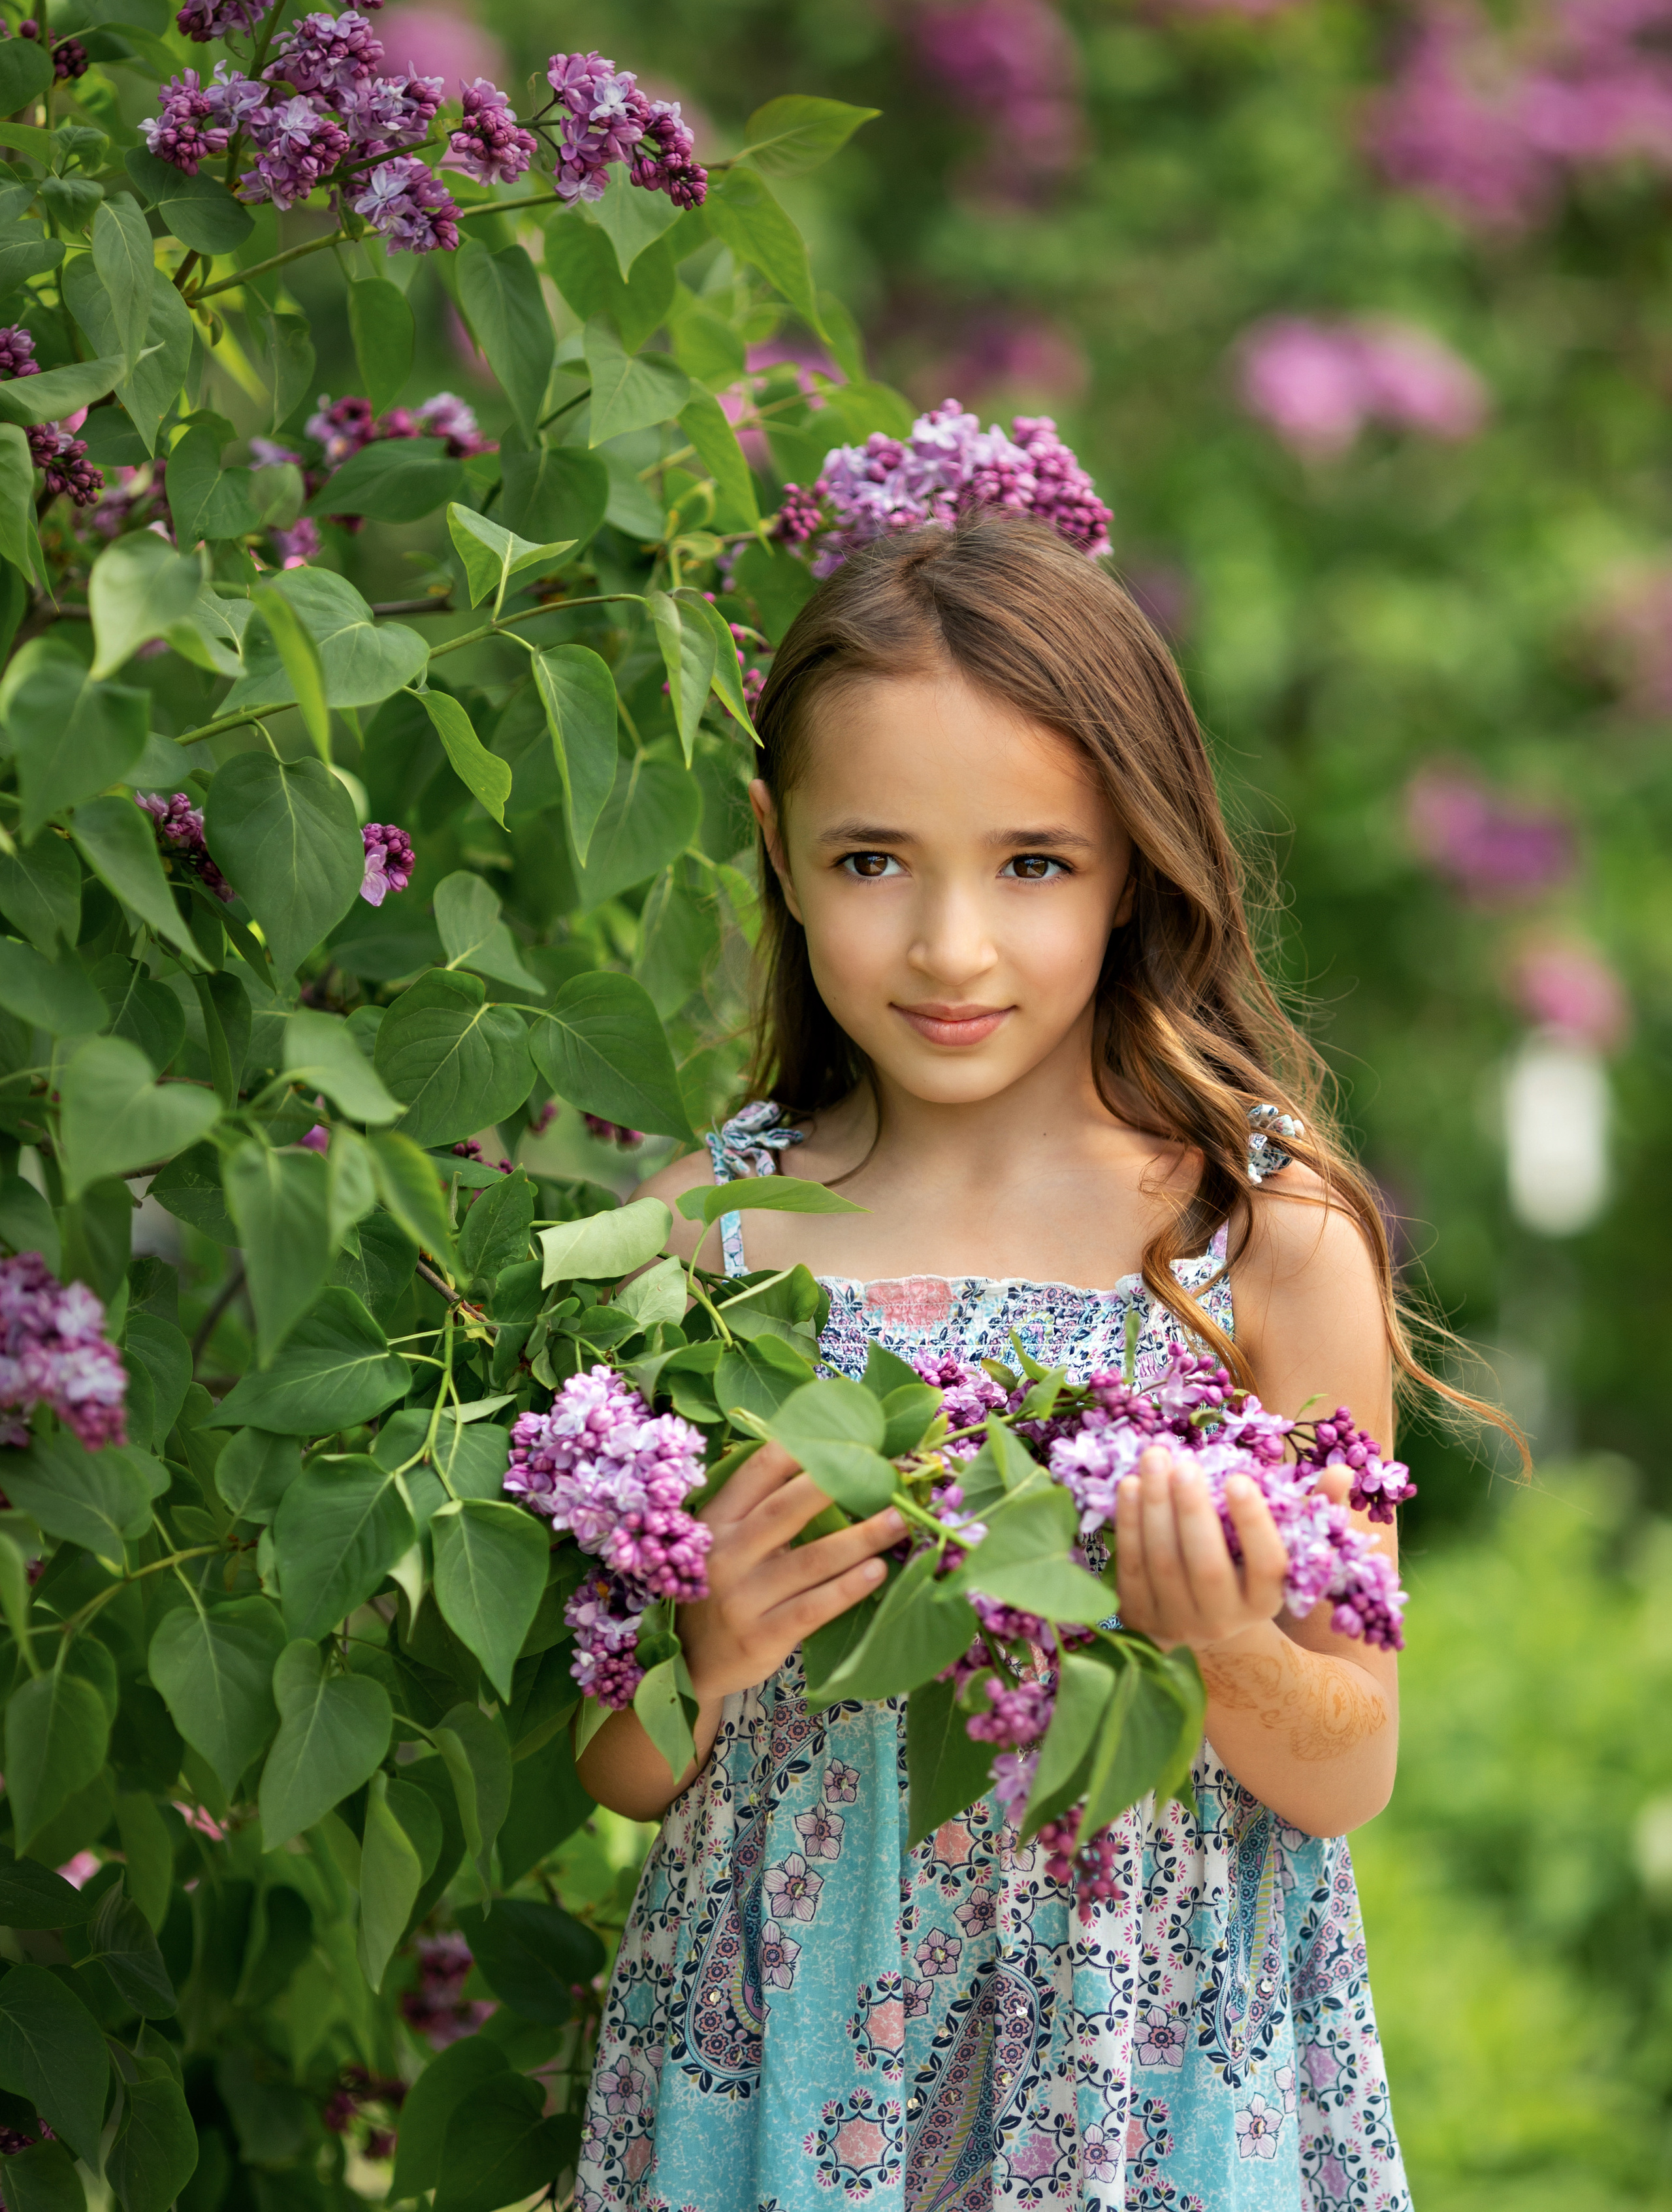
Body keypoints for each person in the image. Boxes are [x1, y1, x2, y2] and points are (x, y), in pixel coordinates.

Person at [573, 513, 1483, 2211]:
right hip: (795, 2070)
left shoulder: (1260, 1239)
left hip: (1144, 2091)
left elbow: (1350, 1757)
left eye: (1031, 863)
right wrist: (703, 1651)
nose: (950, 946)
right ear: (775, 847)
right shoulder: (709, 1238)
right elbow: (615, 1762)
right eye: (871, 861)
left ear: (1132, 858)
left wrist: (1219, 1648)